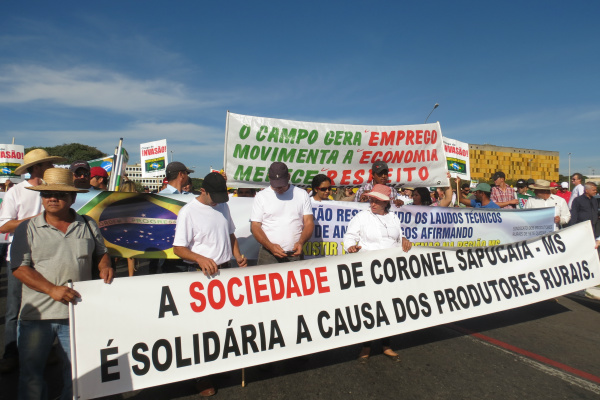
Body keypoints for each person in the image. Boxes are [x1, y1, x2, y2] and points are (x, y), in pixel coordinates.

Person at [10, 168, 112, 400]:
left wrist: (105, 265)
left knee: (77, 375)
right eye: (47, 195)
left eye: (59, 194)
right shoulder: (26, 228)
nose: (53, 198)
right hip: (37, 316)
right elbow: (20, 268)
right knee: (32, 376)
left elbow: (102, 253)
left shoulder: (88, 225)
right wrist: (51, 289)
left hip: (77, 315)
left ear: (72, 198)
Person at [172, 172, 247, 397]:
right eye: (213, 196)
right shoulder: (188, 212)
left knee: (224, 323)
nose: (217, 201)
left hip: (224, 272)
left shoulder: (222, 205)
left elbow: (231, 234)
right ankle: (201, 377)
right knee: (201, 329)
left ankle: (217, 366)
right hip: (200, 275)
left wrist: (238, 254)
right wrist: (200, 258)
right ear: (202, 191)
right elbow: (178, 248)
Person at [0, 149, 66, 374]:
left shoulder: (56, 191)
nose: (51, 168)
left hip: (48, 257)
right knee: (15, 309)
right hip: (20, 258)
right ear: (37, 168)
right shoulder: (16, 192)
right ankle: (11, 354)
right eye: (48, 164)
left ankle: (44, 352)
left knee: (46, 306)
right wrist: (35, 221)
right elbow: (4, 226)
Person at [343, 184, 412, 363]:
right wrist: (351, 246)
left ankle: (386, 344)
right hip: (368, 269)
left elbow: (398, 239)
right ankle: (366, 346)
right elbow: (350, 236)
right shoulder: (362, 217)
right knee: (369, 307)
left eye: (376, 201)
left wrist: (405, 241)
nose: (372, 203)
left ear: (385, 202)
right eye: (371, 200)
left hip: (390, 270)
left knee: (388, 307)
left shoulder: (394, 218)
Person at [251, 162, 314, 264]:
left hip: (294, 254)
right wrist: (270, 246)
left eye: (282, 184)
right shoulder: (261, 196)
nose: (279, 188)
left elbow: (309, 223)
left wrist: (301, 242)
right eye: (276, 185)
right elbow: (255, 226)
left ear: (288, 176)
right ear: (268, 178)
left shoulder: (302, 194)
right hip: (268, 255)